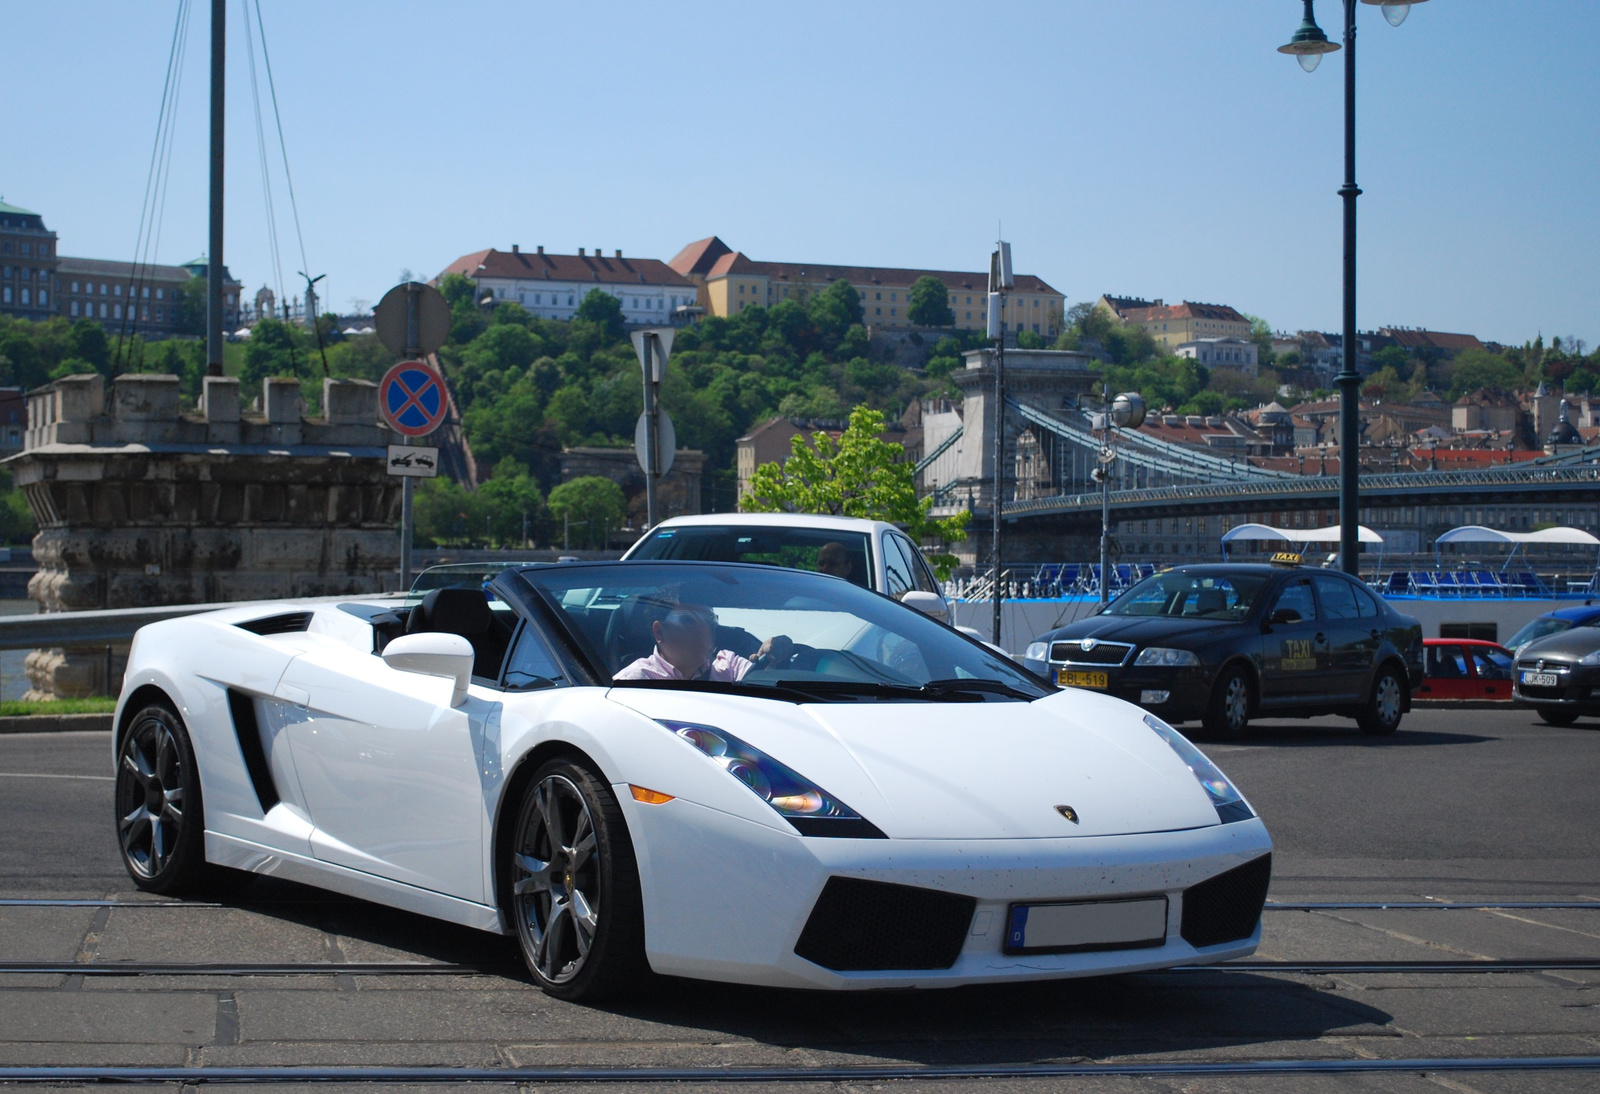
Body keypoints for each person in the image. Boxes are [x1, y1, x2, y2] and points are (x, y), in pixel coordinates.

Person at [614, 603, 793, 682]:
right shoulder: (636, 681)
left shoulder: (727, 665)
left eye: (709, 622)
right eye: (689, 621)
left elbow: (763, 685)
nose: (704, 630)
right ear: (659, 632)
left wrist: (772, 658)